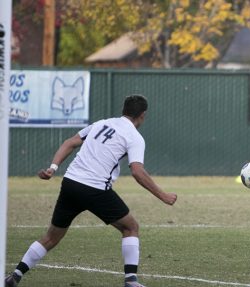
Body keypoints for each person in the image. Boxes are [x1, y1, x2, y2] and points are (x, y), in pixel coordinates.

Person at [4, 95, 177, 287]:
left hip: (70, 183)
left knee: (51, 237)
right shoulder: (134, 137)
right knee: (131, 228)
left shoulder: (101, 123)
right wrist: (164, 196)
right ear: (143, 115)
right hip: (95, 189)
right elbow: (137, 171)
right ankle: (131, 281)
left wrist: (53, 168)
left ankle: (16, 275)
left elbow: (70, 142)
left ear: (124, 110)